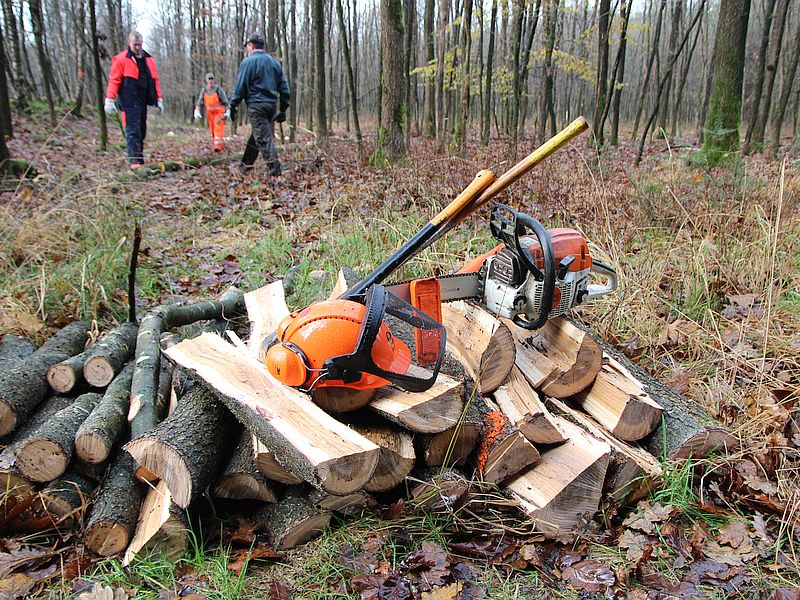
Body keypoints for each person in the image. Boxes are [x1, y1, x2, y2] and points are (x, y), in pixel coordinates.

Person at [225, 33, 290, 176]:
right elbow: (284, 89)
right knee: (257, 136)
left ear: (250, 45)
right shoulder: (274, 63)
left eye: (247, 46)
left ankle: (275, 173)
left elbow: (240, 87)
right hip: (271, 106)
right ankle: (244, 168)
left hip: (256, 105)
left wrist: (233, 105)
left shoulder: (248, 62)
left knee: (263, 138)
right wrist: (283, 109)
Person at [104, 31, 163, 169]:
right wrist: (109, 99)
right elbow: (114, 80)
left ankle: (139, 159)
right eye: (135, 45)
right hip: (129, 100)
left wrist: (159, 99)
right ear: (129, 43)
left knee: (142, 130)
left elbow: (155, 80)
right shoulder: (121, 59)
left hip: (143, 100)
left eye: (140, 44)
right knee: (132, 130)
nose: (138, 47)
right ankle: (134, 162)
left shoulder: (148, 59)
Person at [194, 73, 229, 152]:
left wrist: (228, 110)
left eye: (212, 79)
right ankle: (216, 144)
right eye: (209, 79)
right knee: (212, 129)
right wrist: (197, 110)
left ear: (214, 80)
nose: (211, 81)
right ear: (206, 80)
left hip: (219, 111)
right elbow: (200, 101)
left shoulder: (218, 89)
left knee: (218, 128)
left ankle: (218, 147)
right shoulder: (204, 90)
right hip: (210, 113)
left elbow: (225, 101)